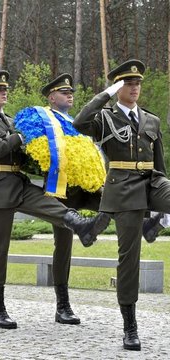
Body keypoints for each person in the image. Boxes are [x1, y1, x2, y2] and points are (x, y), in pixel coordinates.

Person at [0, 70, 110, 330]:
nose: (4, 92)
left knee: (52, 205)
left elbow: (26, 157)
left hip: (18, 183)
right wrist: (18, 138)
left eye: (5, 88)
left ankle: (80, 224)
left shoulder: (12, 121)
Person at [74, 59, 170, 351]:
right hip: (124, 187)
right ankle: (130, 326)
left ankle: (154, 223)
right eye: (128, 83)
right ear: (118, 88)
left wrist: (162, 207)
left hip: (152, 181)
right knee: (129, 259)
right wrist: (104, 94)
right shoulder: (105, 117)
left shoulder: (151, 120)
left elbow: (160, 163)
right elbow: (79, 123)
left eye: (137, 83)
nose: (135, 88)